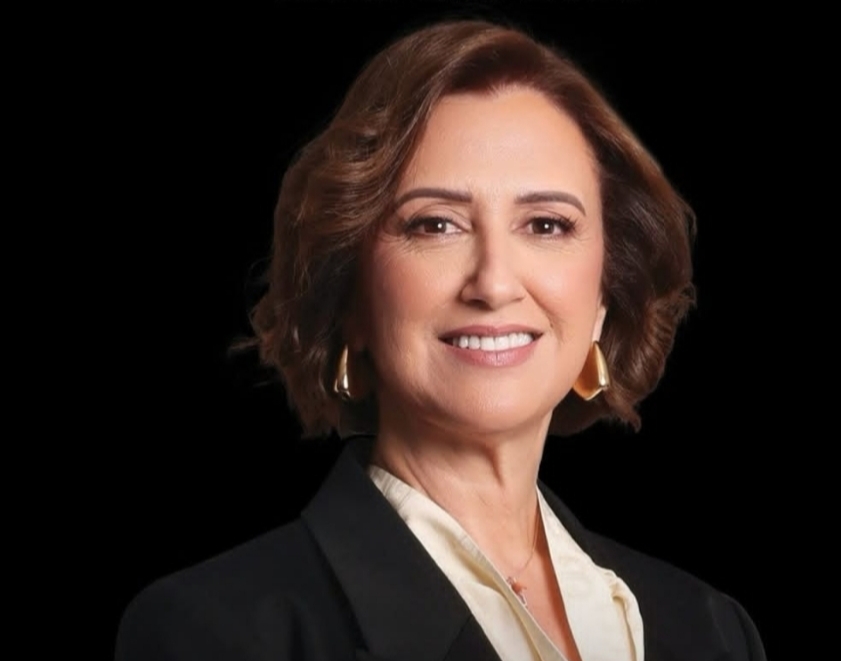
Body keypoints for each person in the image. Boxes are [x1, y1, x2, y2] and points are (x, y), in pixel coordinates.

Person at [115, 19, 766, 661]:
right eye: (435, 225)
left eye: (545, 224)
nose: (494, 282)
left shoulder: (711, 630)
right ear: (351, 295)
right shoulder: (213, 634)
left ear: (603, 295)